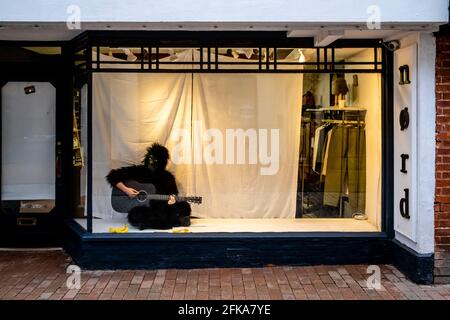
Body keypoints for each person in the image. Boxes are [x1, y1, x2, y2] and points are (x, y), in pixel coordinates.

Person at [106, 143, 191, 230]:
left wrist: (171, 202)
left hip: (162, 209)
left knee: (185, 206)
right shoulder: (139, 171)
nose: (151, 162)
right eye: (150, 158)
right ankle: (165, 222)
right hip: (145, 210)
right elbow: (113, 176)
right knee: (136, 215)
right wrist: (126, 190)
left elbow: (173, 195)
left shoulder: (168, 177)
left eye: (155, 160)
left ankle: (155, 222)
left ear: (161, 161)